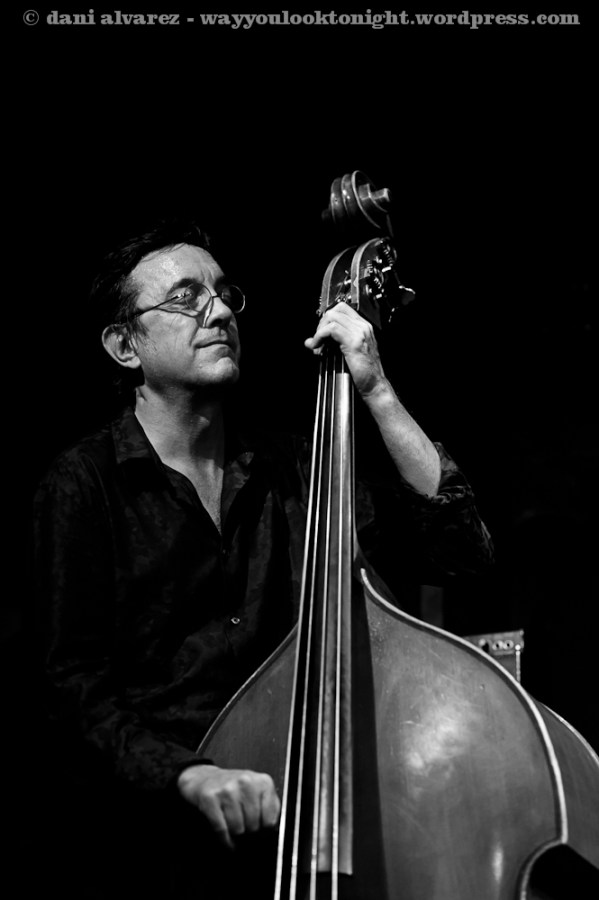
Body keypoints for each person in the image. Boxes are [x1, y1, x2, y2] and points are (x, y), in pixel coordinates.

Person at [33, 217, 493, 899]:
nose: (219, 311)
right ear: (125, 346)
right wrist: (188, 775)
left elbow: (461, 552)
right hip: (151, 841)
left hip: (302, 815)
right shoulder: (83, 484)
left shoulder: (297, 470)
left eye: (223, 293)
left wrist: (375, 388)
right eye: (185, 297)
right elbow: (71, 690)